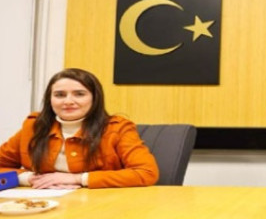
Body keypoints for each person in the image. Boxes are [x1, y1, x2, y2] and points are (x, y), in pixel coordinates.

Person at [0, 68, 159, 188]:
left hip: (101, 204)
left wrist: (78, 179)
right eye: (60, 95)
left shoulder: (117, 128)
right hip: (43, 201)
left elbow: (147, 172)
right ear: (50, 100)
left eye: (79, 94)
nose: (68, 101)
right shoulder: (34, 126)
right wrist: (28, 178)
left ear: (94, 98)